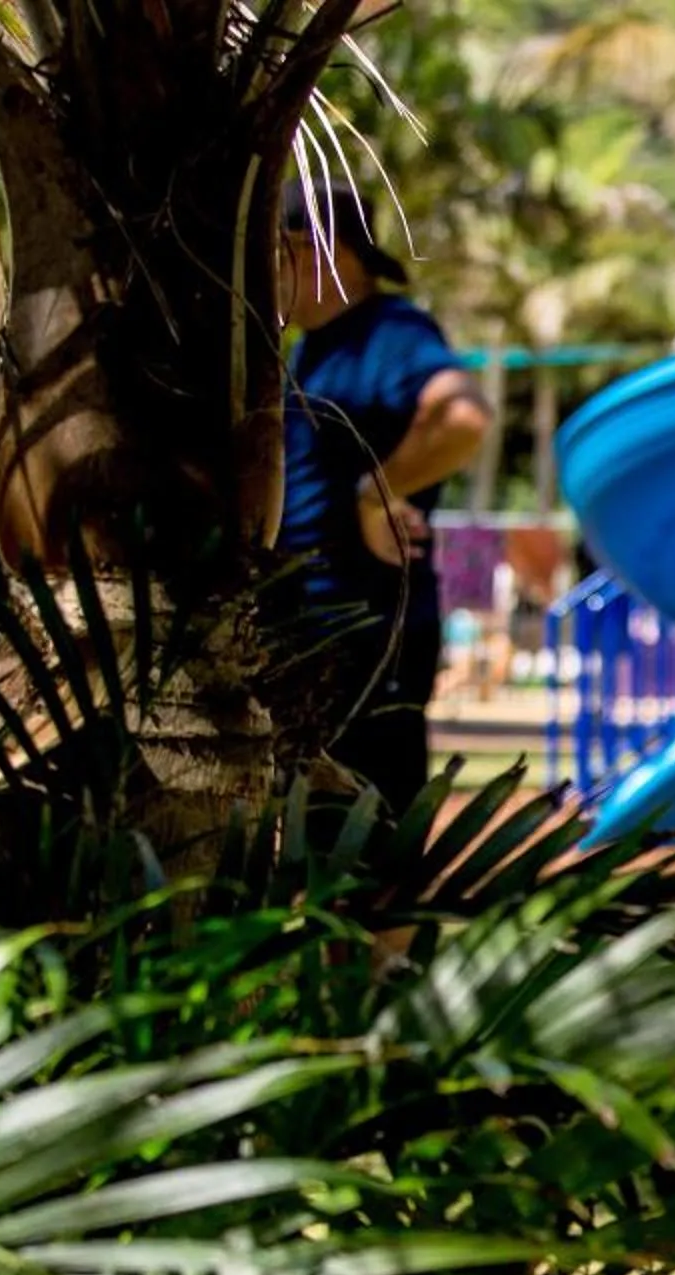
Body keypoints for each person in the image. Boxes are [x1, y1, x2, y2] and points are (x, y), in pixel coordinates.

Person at [278, 183, 491, 810]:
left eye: (273, 250)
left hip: (367, 635)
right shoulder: (311, 348)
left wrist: (377, 494)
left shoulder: (390, 332)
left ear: (322, 251)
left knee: (365, 838)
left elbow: (463, 418)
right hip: (312, 633)